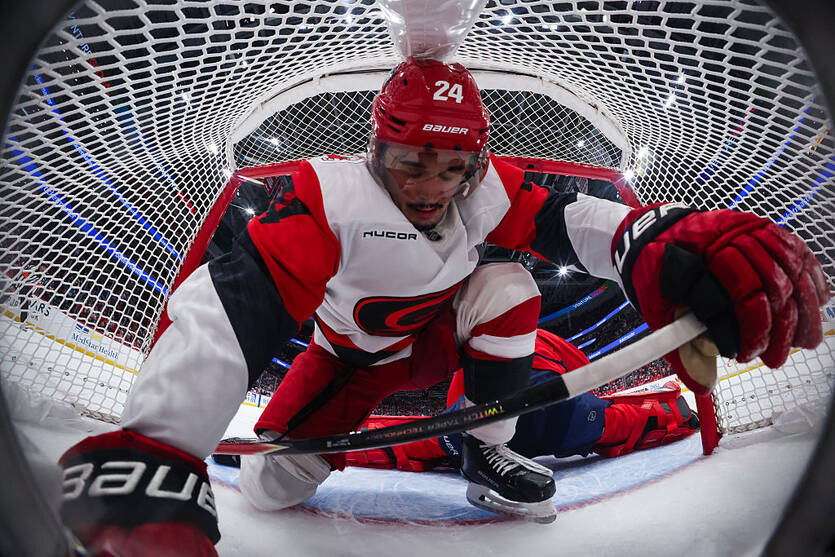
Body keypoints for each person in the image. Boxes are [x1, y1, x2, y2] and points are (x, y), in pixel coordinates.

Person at [57, 57, 830, 555]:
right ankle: (302, 455)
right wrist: (160, 446)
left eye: (450, 167)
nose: (429, 189)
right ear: (376, 153)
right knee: (273, 485)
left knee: (508, 285)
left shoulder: (487, 192)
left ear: (476, 163)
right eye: (409, 165)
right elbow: (234, 300)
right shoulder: (332, 197)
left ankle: (486, 448)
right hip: (349, 360)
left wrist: (658, 239)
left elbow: (575, 221)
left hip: (439, 341)